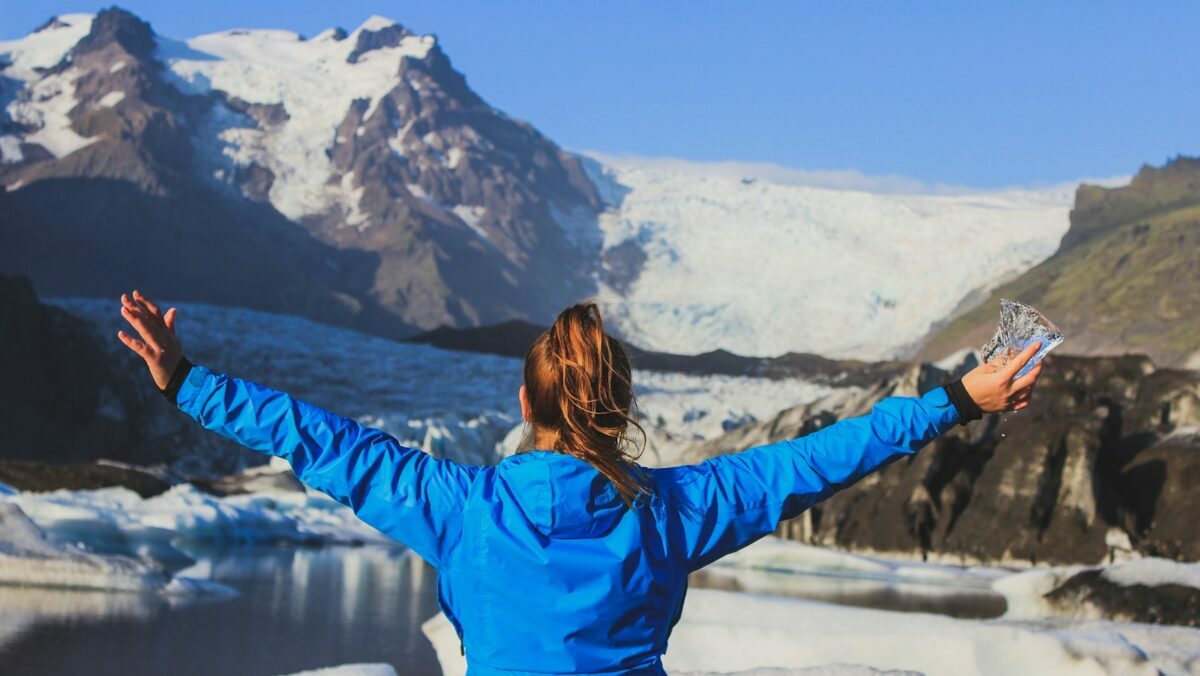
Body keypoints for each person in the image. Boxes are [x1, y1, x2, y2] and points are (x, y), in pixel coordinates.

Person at [116, 289, 1043, 676]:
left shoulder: (463, 513)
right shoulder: (675, 513)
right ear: (620, 406)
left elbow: (323, 443)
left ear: (524, 400)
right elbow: (815, 460)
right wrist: (955, 399)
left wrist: (189, 381)